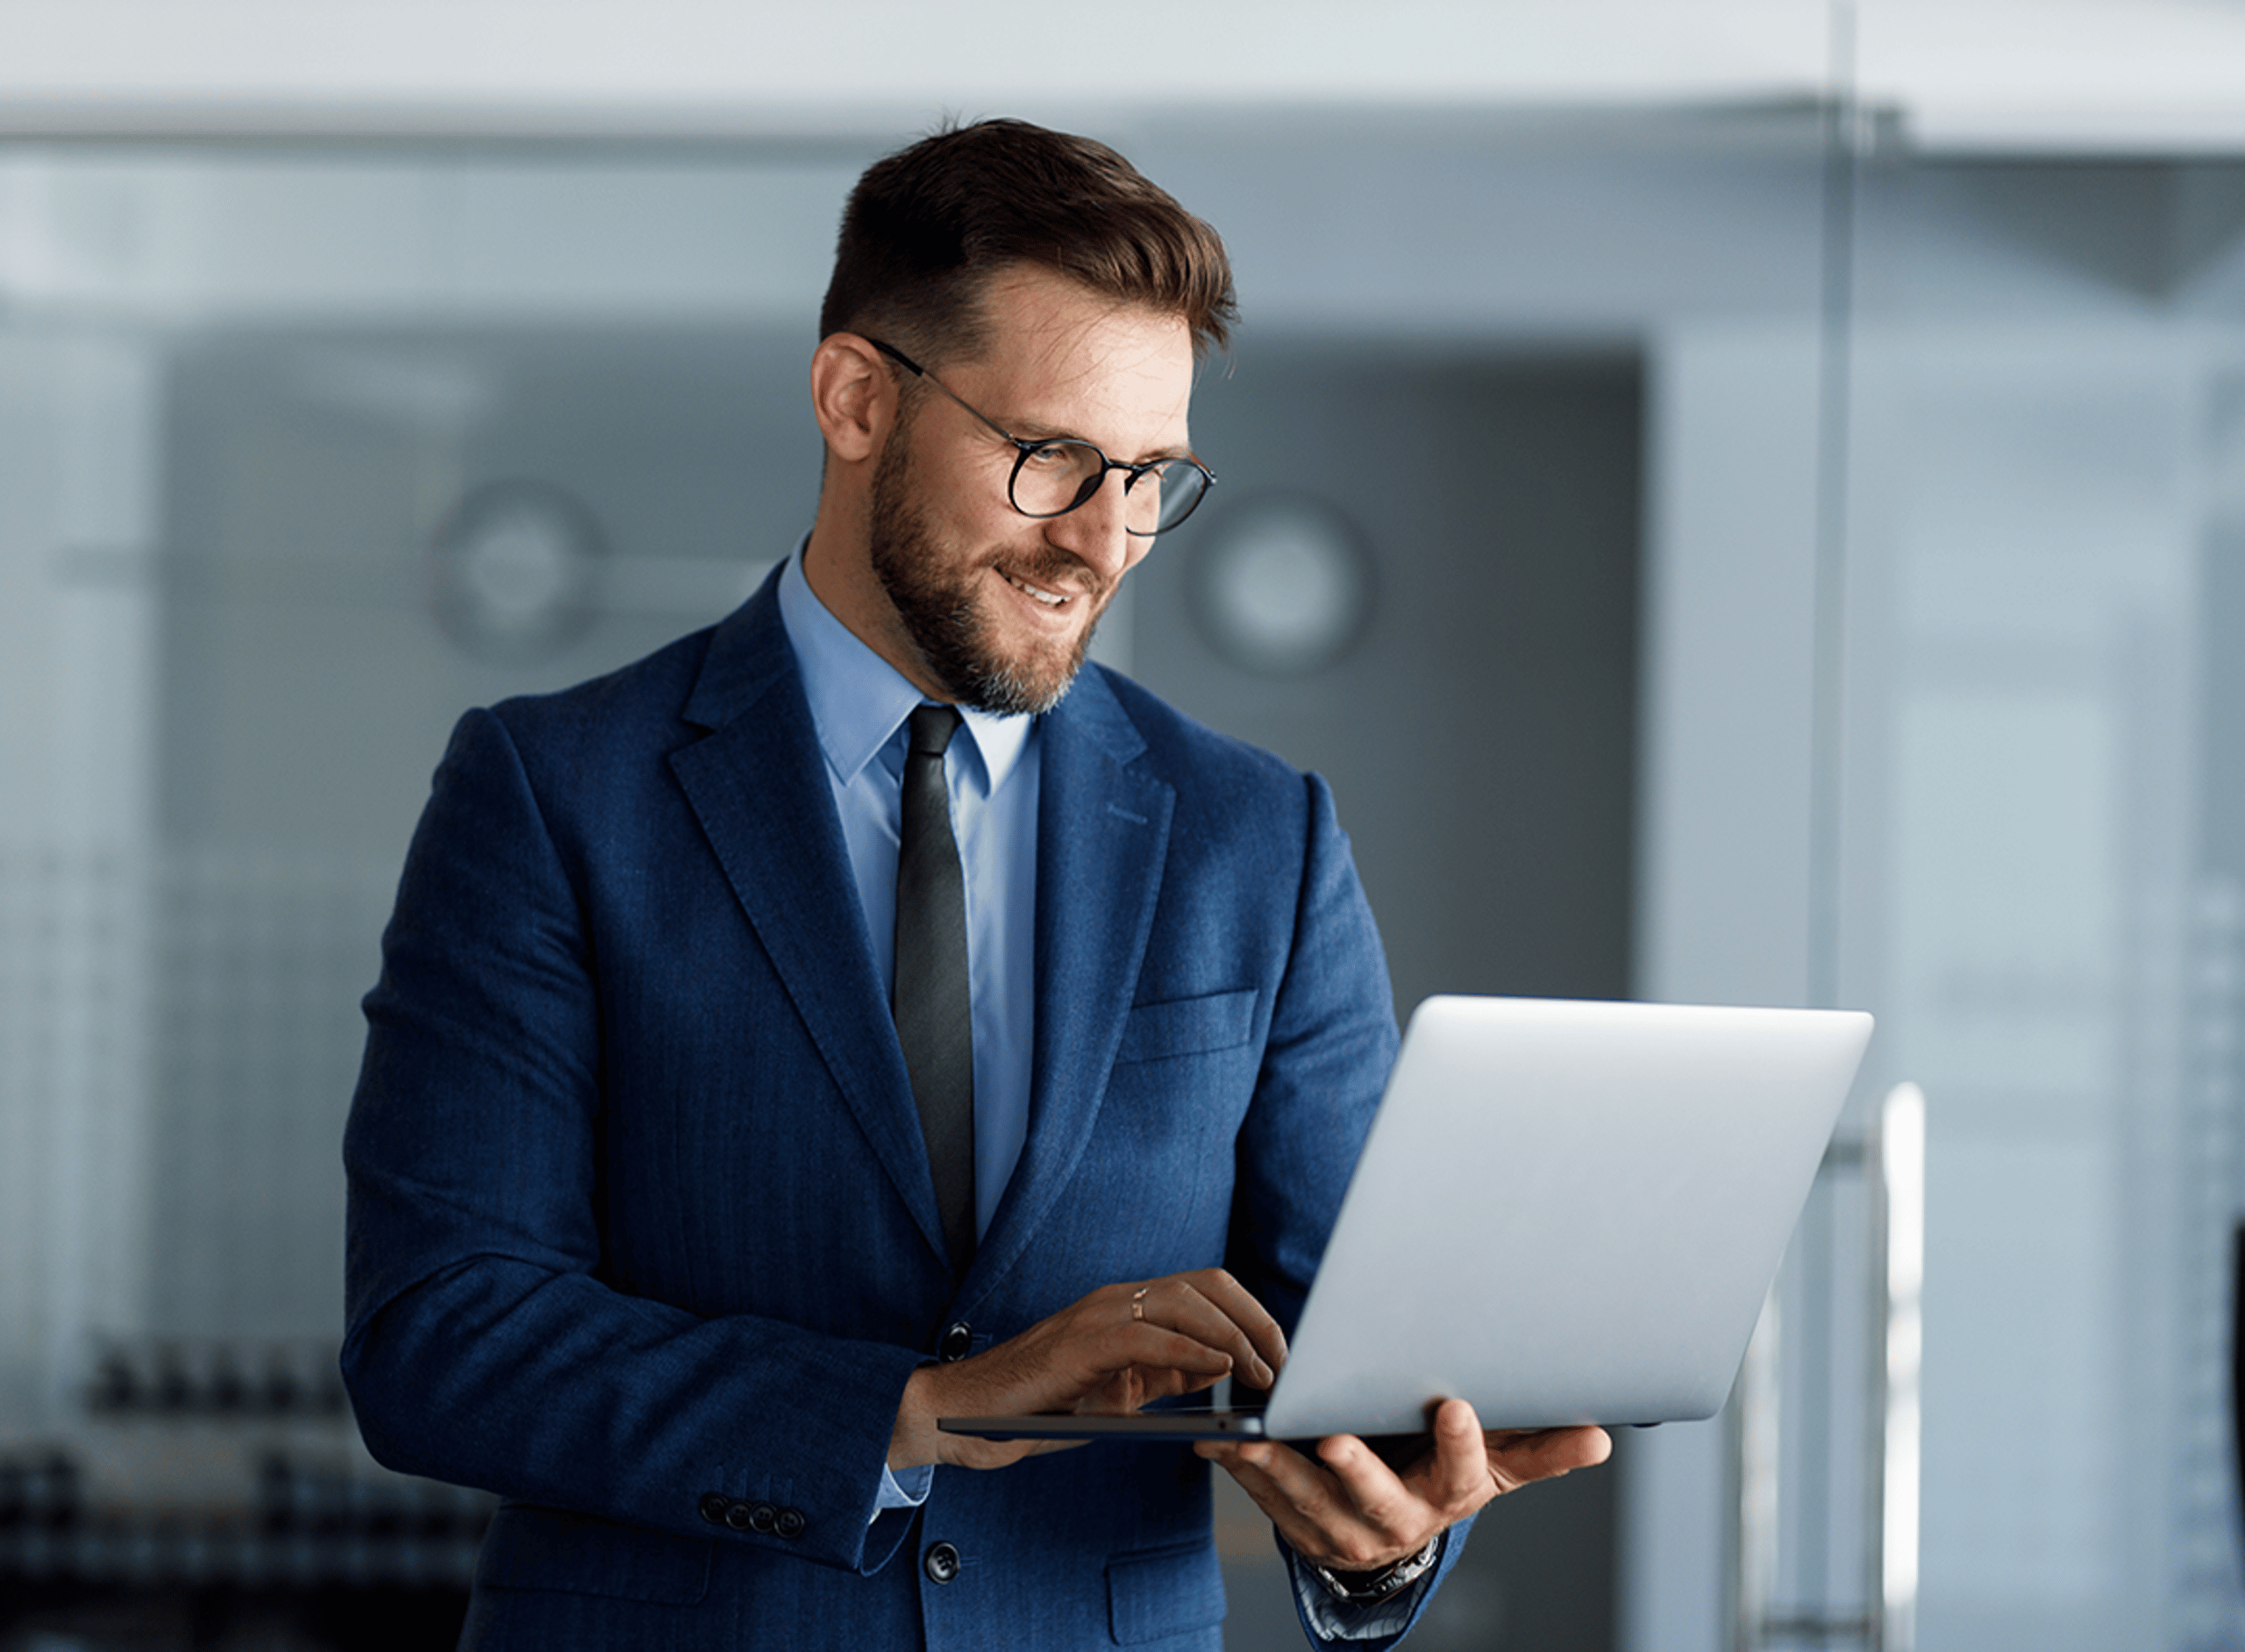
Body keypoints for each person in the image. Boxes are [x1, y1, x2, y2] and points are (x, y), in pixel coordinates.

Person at [340, 117, 1608, 1650]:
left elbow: (1358, 1350)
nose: (1103, 539)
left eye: (1151, 476)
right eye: (1054, 456)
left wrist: (1384, 1540)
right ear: (857, 395)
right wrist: (915, 1409)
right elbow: (444, 1337)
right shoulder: (555, 795)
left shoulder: (1254, 837)